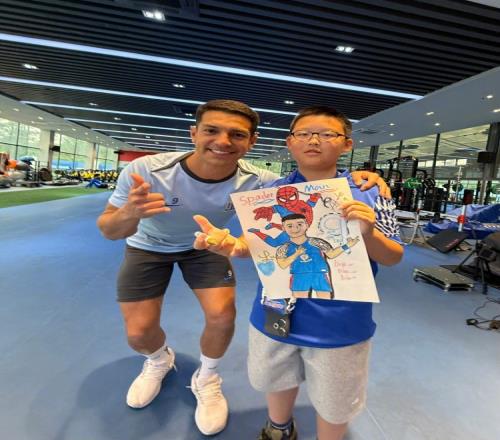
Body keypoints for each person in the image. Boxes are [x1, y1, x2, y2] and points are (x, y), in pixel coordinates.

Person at [97, 99, 390, 436]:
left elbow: (314, 186)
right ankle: (159, 360)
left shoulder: (262, 182)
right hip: (148, 245)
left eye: (236, 135)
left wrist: (363, 178)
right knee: (138, 333)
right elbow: (109, 230)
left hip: (209, 243)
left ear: (251, 142)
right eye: (211, 130)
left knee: (222, 317)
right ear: (194, 133)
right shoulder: (146, 171)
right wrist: (130, 213)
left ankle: (207, 376)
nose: (222, 142)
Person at [193, 105, 403, 440]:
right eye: (304, 134)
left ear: (347, 144)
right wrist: (232, 246)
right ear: (290, 142)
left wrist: (368, 233)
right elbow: (254, 246)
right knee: (273, 378)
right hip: (275, 309)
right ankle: (279, 427)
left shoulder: (370, 192)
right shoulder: (271, 192)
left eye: (327, 134)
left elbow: (393, 256)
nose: (314, 141)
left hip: (340, 320)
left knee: (336, 400)